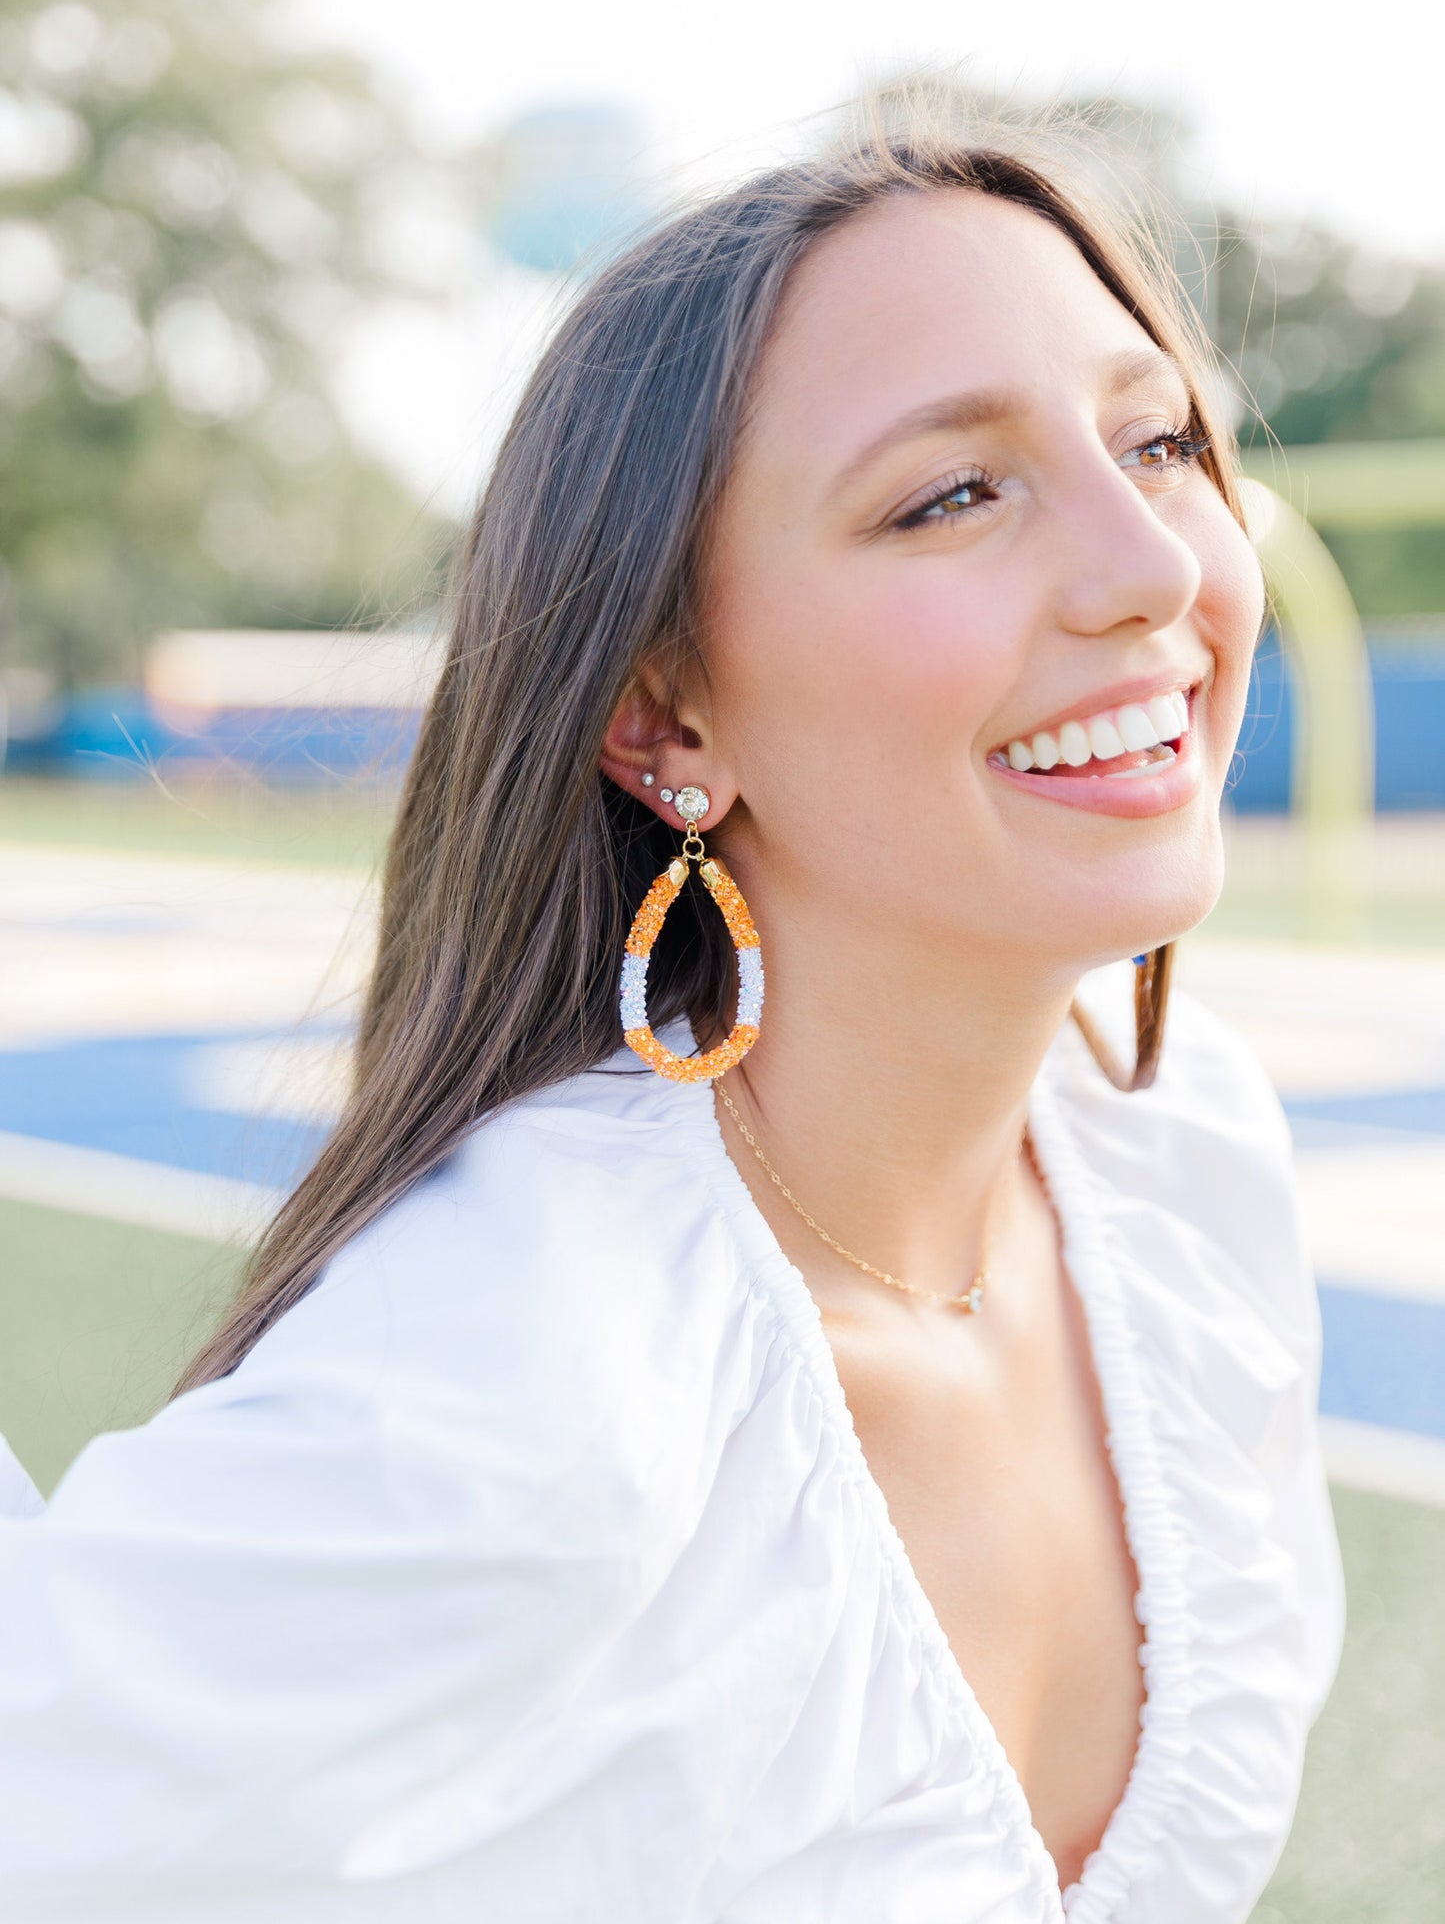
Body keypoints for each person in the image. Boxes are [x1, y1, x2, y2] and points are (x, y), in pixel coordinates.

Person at [0, 120, 1345, 1922]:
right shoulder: (534, 1366)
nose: (1153, 568)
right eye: (951, 493)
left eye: (1158, 437)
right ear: (668, 725)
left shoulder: (1182, 1169)